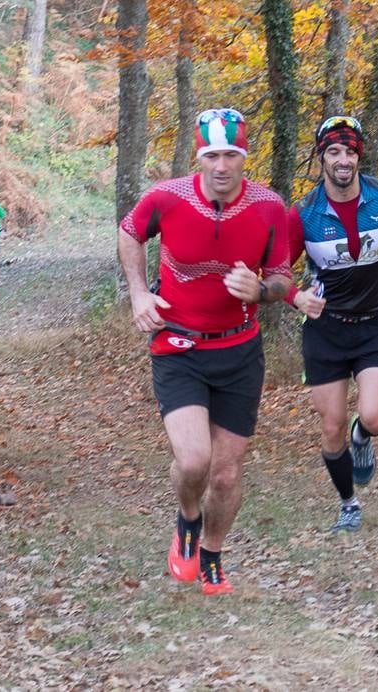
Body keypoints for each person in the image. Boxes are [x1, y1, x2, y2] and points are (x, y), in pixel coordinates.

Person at [118, 107, 291, 595]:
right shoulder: (166, 198)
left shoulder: (269, 207)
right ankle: (187, 520)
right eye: (211, 155)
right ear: (199, 157)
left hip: (238, 352)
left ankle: (213, 553)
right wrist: (137, 293)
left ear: (244, 158)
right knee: (194, 462)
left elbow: (283, 277)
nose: (221, 166)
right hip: (178, 345)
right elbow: (129, 233)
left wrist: (261, 291)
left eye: (231, 155)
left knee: (226, 472)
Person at [287, 115, 378, 533]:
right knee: (331, 429)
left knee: (376, 417)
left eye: (349, 151)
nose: (342, 159)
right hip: (326, 331)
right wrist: (296, 296)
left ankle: (362, 438)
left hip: (374, 324)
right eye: (333, 152)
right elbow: (274, 269)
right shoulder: (304, 213)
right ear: (322, 158)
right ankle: (349, 503)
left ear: (359, 154)